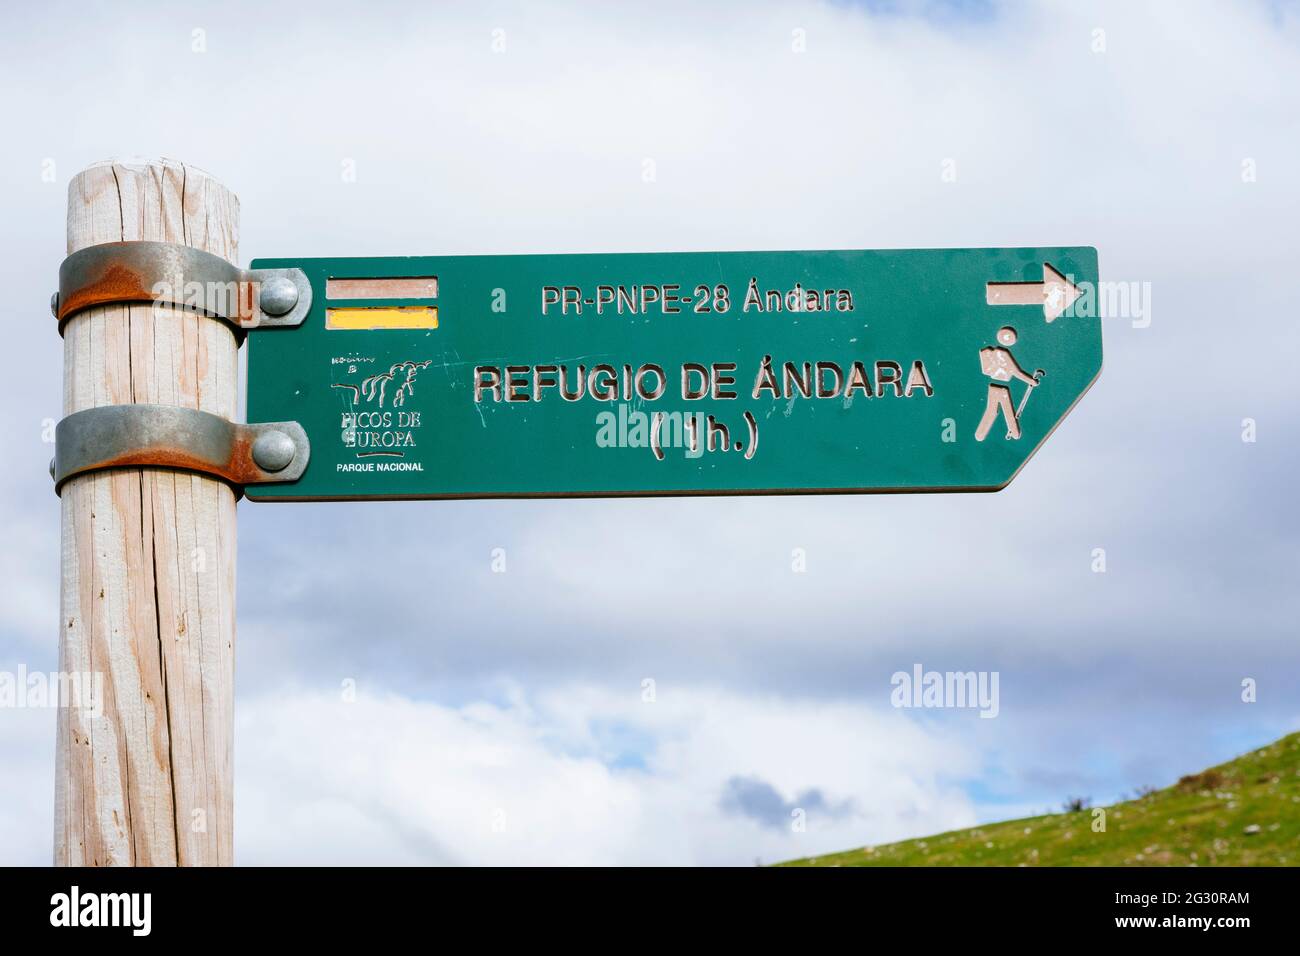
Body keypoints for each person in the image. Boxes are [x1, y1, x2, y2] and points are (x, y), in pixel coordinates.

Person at [975, 327, 1040, 441]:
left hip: (994, 387)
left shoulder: (989, 352)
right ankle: (1012, 432)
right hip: (1000, 389)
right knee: (1005, 409)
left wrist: (1031, 381)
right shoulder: (1002, 354)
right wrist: (1031, 381)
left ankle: (981, 434)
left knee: (992, 410)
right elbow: (1016, 372)